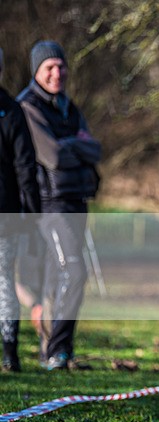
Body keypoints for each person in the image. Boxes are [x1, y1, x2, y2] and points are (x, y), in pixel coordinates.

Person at [17, 41, 101, 371]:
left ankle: (54, 352)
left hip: (76, 199)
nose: (57, 72)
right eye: (49, 67)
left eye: (61, 66)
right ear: (36, 71)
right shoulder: (29, 107)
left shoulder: (69, 106)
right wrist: (75, 146)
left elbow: (96, 150)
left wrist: (76, 148)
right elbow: (51, 155)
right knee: (74, 270)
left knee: (59, 278)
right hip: (49, 206)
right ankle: (57, 350)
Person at [0, 47, 41, 372]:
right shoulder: (12, 110)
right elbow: (26, 168)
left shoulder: (12, 111)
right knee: (3, 281)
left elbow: (26, 168)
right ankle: (10, 353)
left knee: (3, 281)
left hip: (7, 215)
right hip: (10, 214)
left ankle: (11, 353)